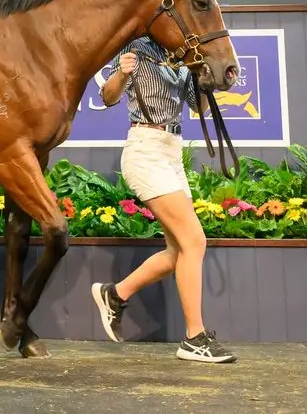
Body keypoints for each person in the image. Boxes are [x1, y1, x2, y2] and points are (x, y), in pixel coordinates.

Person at [89, 37, 236, 363]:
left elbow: (198, 107)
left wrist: (202, 77)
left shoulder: (181, 56)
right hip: (145, 148)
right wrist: (122, 73)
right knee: (194, 241)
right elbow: (108, 96)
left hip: (172, 150)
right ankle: (194, 337)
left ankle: (115, 294)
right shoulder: (136, 48)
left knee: (178, 251)